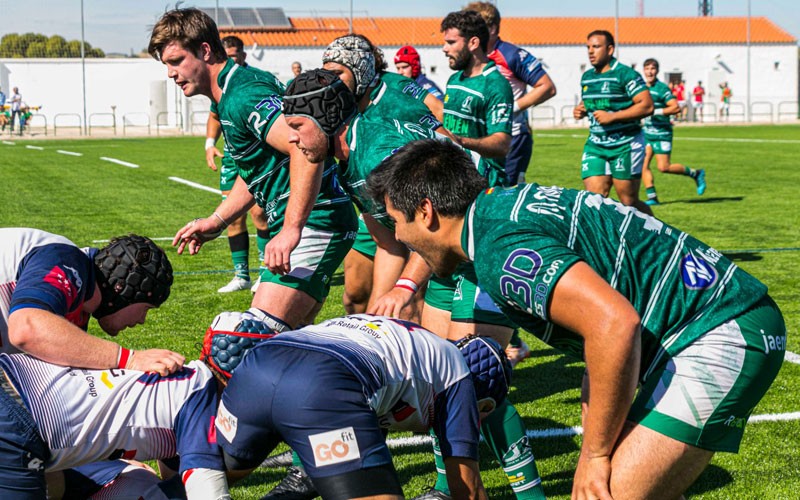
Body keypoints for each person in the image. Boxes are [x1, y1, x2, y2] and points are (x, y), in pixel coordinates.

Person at [367, 138, 786, 500]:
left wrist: (594, 454)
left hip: (720, 327)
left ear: (426, 211)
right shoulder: (497, 212)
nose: (399, 238)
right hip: (707, 320)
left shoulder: (499, 250)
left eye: (397, 222)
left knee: (605, 490)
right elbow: (600, 313)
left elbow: (614, 324)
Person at [150, 8, 357, 332]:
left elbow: (302, 145)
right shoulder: (227, 96)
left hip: (318, 220)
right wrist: (217, 221)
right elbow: (255, 170)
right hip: (310, 221)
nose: (170, 73)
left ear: (205, 51)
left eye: (176, 61)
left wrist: (291, 229)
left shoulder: (244, 95)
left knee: (251, 340)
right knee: (290, 347)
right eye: (166, 64)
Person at [214, 313, 512, 500]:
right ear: (480, 402)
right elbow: (468, 491)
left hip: (259, 364)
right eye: (481, 412)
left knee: (208, 479)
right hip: (324, 381)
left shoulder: (414, 348)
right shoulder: (456, 373)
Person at [0, 308, 279, 499]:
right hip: (21, 424)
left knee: (62, 485)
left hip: (13, 386)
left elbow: (172, 481)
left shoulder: (182, 380)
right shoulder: (199, 397)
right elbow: (205, 486)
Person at [321, 33, 442, 318]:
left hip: (415, 204)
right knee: (354, 298)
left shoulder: (394, 91)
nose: (331, 81)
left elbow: (439, 117)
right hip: (375, 208)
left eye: (338, 72)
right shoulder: (340, 102)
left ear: (361, 69)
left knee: (410, 304)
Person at [1, 228, 182, 373]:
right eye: (146, 308)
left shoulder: (78, 299)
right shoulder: (66, 259)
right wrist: (128, 359)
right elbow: (27, 329)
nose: (142, 320)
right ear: (126, 287)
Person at [204, 35, 270, 293]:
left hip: (254, 157)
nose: (231, 59)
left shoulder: (253, 79)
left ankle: (265, 273)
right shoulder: (220, 85)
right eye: (227, 55)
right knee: (232, 216)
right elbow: (214, 115)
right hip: (231, 160)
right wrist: (210, 144)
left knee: (260, 214)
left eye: (234, 55)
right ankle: (241, 275)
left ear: (242, 54)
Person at [466, 2, 556, 186]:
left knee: (506, 195)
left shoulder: (511, 54)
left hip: (511, 137)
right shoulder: (471, 57)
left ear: (491, 28)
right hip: (481, 138)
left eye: (475, 27)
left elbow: (547, 87)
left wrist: (512, 107)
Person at [573, 30, 654, 216]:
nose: (591, 52)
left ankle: (657, 235)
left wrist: (613, 116)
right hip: (596, 145)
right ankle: (604, 243)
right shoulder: (587, 77)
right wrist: (581, 109)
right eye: (588, 47)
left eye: (596, 47)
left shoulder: (625, 75)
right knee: (594, 201)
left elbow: (647, 106)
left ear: (610, 49)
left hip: (625, 145)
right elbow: (591, 102)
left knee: (628, 202)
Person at [640, 58, 707, 206]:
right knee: (642, 165)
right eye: (647, 69)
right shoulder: (641, 88)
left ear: (657, 71)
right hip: (647, 133)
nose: (650, 72)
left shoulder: (662, 88)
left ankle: (696, 174)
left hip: (662, 133)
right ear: (643, 71)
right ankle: (652, 197)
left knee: (664, 167)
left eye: (653, 69)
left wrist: (654, 111)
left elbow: (675, 107)